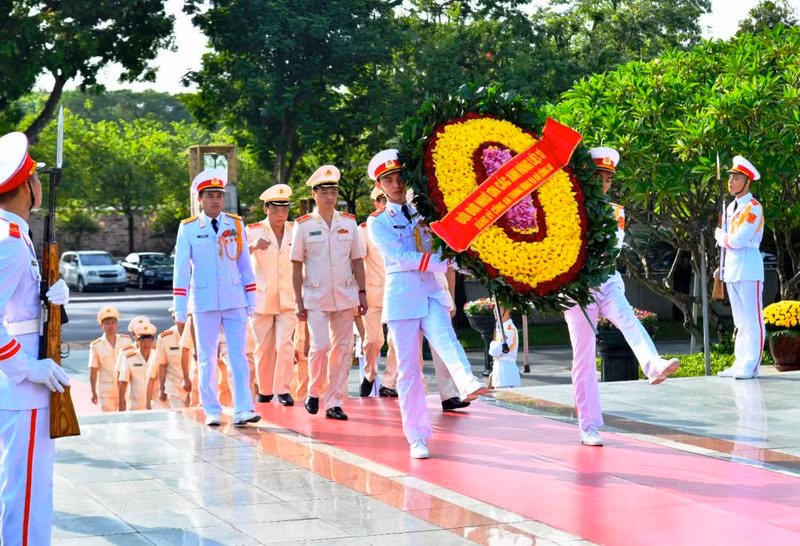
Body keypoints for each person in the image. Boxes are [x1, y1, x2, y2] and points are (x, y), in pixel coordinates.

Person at [367, 149, 488, 459]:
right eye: (389, 180)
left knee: (446, 338)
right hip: (402, 298)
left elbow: (448, 245)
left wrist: (470, 265)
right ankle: (417, 435)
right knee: (409, 372)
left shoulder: (425, 213)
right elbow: (401, 258)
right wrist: (443, 261)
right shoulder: (377, 222)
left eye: (400, 178)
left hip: (431, 292)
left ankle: (466, 381)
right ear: (380, 186)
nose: (396, 185)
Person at [563, 147, 680, 447]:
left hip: (607, 279)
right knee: (584, 357)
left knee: (628, 319)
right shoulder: (568, 205)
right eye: (598, 177)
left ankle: (652, 364)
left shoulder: (616, 211)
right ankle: (587, 425)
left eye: (607, 179)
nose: (603, 183)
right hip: (578, 286)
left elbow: (608, 247)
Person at [0, 131, 71, 544]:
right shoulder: (8, 243)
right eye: (37, 178)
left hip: (26, 383)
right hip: (23, 385)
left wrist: (51, 298)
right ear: (28, 186)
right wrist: (29, 367)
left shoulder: (17, 235)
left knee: (31, 489)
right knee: (26, 493)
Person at [172, 167, 261, 426]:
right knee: (208, 357)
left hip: (234, 299)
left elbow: (245, 265)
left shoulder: (235, 224)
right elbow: (180, 271)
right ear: (199, 199)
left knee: (239, 356)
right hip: (204, 301)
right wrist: (180, 308)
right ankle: (212, 408)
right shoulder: (188, 228)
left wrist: (251, 298)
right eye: (209, 195)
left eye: (219, 196)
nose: (215, 200)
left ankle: (244, 408)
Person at [291, 165, 367, 421]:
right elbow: (296, 265)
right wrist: (297, 300)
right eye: (324, 192)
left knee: (342, 351)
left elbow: (357, 259)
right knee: (321, 347)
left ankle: (334, 402)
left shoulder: (348, 222)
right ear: (314, 194)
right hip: (315, 297)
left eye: (333, 191)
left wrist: (363, 292)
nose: (329, 197)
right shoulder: (302, 226)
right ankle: (314, 391)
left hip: (345, 295)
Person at [247, 183, 298, 405]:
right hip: (262, 298)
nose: (281, 213)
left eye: (285, 209)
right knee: (264, 347)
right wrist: (252, 246)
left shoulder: (296, 229)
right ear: (266, 209)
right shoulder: (253, 230)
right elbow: (236, 254)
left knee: (285, 344)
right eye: (276, 209)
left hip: (289, 296)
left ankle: (283, 388)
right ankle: (265, 389)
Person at [715, 156, 765, 380]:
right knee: (740, 321)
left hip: (749, 268)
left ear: (748, 182)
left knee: (753, 319)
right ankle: (740, 361)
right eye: (731, 177)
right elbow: (728, 244)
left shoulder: (753, 208)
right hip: (732, 269)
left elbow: (738, 240)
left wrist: (721, 237)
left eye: (737, 178)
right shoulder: (729, 208)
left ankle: (752, 364)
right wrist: (721, 267)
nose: (731, 181)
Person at [358, 186, 398, 398]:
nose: (386, 204)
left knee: (396, 341)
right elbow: (356, 262)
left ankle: (389, 383)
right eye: (382, 200)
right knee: (373, 341)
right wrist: (359, 292)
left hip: (396, 292)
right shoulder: (365, 229)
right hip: (372, 293)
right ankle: (370, 374)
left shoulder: (403, 226)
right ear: (376, 203)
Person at [88, 306, 132, 412]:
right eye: (107, 323)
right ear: (101, 326)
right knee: (109, 420)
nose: (110, 326)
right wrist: (93, 391)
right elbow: (93, 370)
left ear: (116, 325)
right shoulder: (96, 345)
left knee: (126, 419)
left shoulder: (126, 341)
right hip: (106, 389)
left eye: (113, 322)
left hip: (125, 387)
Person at [148, 307, 191, 409]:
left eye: (185, 317)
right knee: (178, 418)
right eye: (179, 317)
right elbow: (162, 365)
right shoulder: (164, 337)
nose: (183, 321)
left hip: (193, 386)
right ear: (173, 318)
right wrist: (161, 389)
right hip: (174, 386)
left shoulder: (197, 334)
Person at [118, 320, 157, 411]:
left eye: (149, 341)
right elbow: (123, 382)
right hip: (135, 404)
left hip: (154, 403)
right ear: (138, 341)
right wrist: (121, 402)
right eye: (143, 341)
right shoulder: (129, 358)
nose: (146, 344)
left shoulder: (157, 356)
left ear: (152, 341)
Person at [488, 305, 521, 389]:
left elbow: (494, 351)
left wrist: (492, 344)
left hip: (506, 374)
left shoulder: (509, 330)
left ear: (507, 311)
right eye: (494, 309)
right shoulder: (502, 327)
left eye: (498, 309)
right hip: (501, 374)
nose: (495, 311)